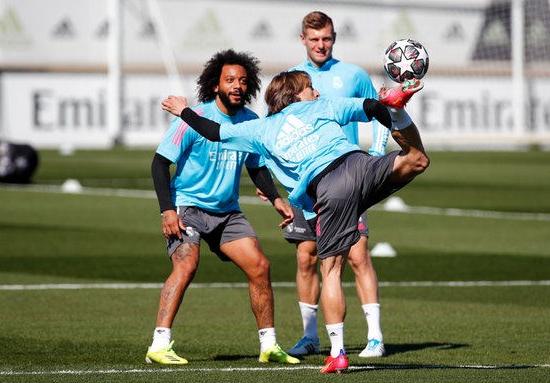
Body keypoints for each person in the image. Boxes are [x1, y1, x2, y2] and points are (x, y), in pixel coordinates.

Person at [161, 70, 428, 373]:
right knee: (417, 159)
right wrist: (391, 111)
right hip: (361, 166)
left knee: (330, 270)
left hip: (330, 188)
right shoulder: (322, 107)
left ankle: (338, 352)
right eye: (310, 87)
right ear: (295, 94)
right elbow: (370, 108)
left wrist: (183, 110)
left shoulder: (260, 129)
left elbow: (212, 131)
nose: (316, 91)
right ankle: (400, 110)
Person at [147, 49, 298, 366]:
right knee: (186, 266)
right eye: (230, 80)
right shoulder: (194, 118)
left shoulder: (250, 122)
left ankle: (269, 345)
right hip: (188, 207)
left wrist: (276, 199)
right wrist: (167, 210)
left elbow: (256, 167)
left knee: (260, 266)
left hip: (227, 213)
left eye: (243, 81)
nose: (237, 86)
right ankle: (159, 344)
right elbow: (160, 163)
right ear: (215, 85)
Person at [284, 11, 389, 359]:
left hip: (346, 179)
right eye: (314, 39)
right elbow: (277, 128)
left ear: (334, 37)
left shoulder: (353, 75)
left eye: (326, 38)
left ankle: (375, 337)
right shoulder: (293, 81)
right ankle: (310, 336)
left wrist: (376, 152)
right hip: (307, 183)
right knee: (305, 256)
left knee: (358, 254)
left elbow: (379, 111)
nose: (321, 45)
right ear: (302, 39)